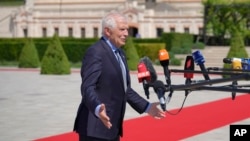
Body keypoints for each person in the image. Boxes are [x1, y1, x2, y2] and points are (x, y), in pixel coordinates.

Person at [73, 11, 166, 141]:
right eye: (122, 29)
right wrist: (97, 107)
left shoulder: (120, 53)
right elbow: (87, 87)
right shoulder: (96, 52)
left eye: (127, 30)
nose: (126, 34)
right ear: (107, 31)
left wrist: (147, 107)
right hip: (95, 128)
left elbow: (124, 89)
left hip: (112, 128)